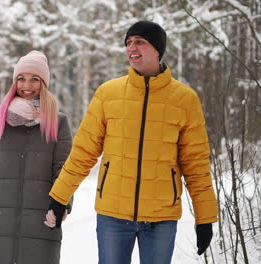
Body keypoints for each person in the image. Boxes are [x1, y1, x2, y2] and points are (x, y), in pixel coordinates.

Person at [44, 21, 218, 264]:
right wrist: (60, 197)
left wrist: (205, 218)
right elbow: (83, 152)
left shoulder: (184, 100)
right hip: (113, 214)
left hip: (161, 217)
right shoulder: (108, 94)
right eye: (128, 42)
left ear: (157, 49)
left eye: (140, 42)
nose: (131, 47)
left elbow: (196, 164)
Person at [0, 50, 72, 264]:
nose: (26, 86)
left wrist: (62, 204)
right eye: (21, 78)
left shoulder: (58, 123)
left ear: (44, 83)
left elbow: (64, 171)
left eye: (34, 79)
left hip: (41, 222)